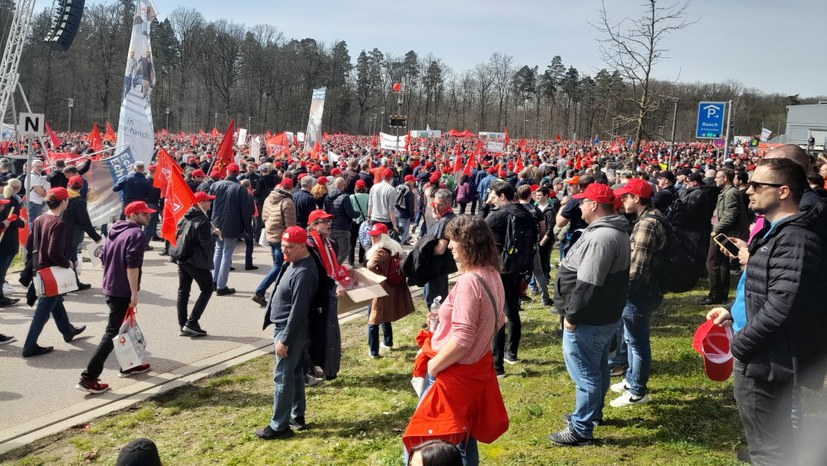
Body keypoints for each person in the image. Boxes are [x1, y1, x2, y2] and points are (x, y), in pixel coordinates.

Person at [706, 158, 827, 466]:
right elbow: (764, 287)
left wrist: (742, 344)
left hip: (767, 359)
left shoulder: (796, 238)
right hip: (761, 353)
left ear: (784, 191)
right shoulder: (777, 232)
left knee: (768, 452)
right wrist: (733, 313)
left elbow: (783, 306)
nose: (749, 191)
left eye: (758, 186)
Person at [403, 214, 508, 466]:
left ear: (469, 244)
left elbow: (462, 338)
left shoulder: (470, 281)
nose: (449, 246)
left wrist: (433, 366)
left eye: (454, 241)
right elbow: (498, 319)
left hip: (452, 374)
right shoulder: (491, 273)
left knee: (431, 446)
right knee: (462, 436)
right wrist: (444, 321)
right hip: (473, 370)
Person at [550, 183, 630, 446]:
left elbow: (589, 284)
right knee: (596, 367)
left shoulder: (601, 238)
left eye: (583, 202)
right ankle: (591, 413)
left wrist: (572, 316)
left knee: (585, 373)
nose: (580, 206)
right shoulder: (609, 232)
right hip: (602, 316)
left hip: (589, 319)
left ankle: (581, 428)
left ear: (594, 205)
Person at [76, 201, 154, 393]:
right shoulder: (136, 234)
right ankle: (89, 377)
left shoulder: (114, 230)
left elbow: (103, 260)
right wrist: (134, 293)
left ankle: (129, 364)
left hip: (110, 286)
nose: (149, 217)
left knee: (125, 328)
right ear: (133, 215)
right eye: (145, 214)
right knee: (113, 332)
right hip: (122, 290)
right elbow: (132, 265)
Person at [609, 178, 668, 408]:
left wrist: (623, 293)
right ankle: (631, 380)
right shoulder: (647, 218)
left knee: (637, 343)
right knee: (630, 339)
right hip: (641, 292)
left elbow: (638, 268)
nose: (622, 200)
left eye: (626, 196)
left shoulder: (647, 224)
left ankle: (637, 391)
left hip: (638, 293)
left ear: (637, 198)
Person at [257, 226, 318, 440]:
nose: (284, 250)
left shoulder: (304, 271)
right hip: (287, 328)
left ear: (303, 246)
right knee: (294, 373)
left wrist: (285, 340)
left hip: (290, 331)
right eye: (282, 245)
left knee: (282, 376)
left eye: (289, 247)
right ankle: (296, 416)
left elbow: (299, 311)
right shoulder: (293, 262)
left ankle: (279, 427)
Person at [20, 187, 86, 357]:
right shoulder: (58, 223)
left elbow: (29, 245)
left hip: (39, 268)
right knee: (42, 312)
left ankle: (68, 330)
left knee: (56, 302)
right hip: (50, 271)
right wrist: (68, 263)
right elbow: (54, 252)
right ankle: (29, 346)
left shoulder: (40, 218)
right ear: (63, 202)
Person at [484, 182, 538, 377]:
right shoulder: (528, 213)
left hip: (500, 269)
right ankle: (511, 354)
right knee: (512, 310)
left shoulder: (498, 215)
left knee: (498, 315)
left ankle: (497, 367)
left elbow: (477, 231)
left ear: (502, 196)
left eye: (492, 195)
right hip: (520, 268)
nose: (491, 198)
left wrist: (487, 206)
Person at [699, 168, 748, 305]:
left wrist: (716, 229)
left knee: (712, 262)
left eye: (718, 177)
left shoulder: (731, 193)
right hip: (723, 231)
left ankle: (715, 294)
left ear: (725, 178)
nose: (715, 179)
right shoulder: (728, 192)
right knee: (721, 263)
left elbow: (730, 214)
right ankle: (721, 294)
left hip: (722, 232)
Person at [365, 223, 414, 358]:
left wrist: (376, 273)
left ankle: (373, 351)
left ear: (381, 237)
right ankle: (388, 342)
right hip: (391, 288)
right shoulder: (395, 247)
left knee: (373, 319)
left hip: (379, 288)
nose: (372, 238)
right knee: (385, 316)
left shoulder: (380, 251)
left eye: (375, 236)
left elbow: (370, 265)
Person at [175, 192, 219, 337]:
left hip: (183, 259)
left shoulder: (185, 217)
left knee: (183, 292)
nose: (210, 203)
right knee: (207, 288)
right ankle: (192, 322)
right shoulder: (202, 220)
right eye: (208, 201)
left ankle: (183, 325)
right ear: (200, 203)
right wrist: (215, 235)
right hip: (196, 261)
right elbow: (206, 244)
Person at [209, 163, 254, 296]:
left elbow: (209, 205)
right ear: (237, 172)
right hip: (232, 224)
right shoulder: (240, 189)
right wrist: (248, 229)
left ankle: (214, 281)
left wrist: (210, 221)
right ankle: (221, 285)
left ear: (227, 171)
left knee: (218, 251)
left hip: (217, 222)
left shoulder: (215, 185)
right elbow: (245, 211)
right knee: (226, 254)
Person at [252, 178, 296, 307]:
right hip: (281, 237)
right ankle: (260, 292)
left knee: (279, 265)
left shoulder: (269, 198)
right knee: (280, 266)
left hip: (271, 234)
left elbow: (264, 217)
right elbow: (290, 224)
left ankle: (277, 292)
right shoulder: (288, 202)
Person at [62, 176, 102, 291]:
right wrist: (96, 237)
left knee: (72, 259)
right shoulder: (78, 201)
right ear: (82, 187)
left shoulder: (63, 197)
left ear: (69, 185)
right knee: (67, 259)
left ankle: (74, 283)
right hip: (72, 235)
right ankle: (63, 284)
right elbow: (85, 222)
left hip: (61, 232)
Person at [422, 189, 457, 309]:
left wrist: (423, 252)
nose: (436, 207)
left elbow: (441, 249)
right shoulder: (444, 218)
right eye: (435, 204)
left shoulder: (445, 221)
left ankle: (436, 323)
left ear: (449, 204)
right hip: (439, 267)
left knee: (434, 299)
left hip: (436, 267)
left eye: (440, 205)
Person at [324, 177, 359, 264]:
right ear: (344, 185)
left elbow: (325, 211)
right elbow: (350, 213)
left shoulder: (327, 196)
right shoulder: (345, 197)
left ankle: (333, 267)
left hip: (330, 227)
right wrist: (358, 213)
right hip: (342, 228)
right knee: (343, 253)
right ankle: (335, 268)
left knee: (334, 252)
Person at [0, 182, 23, 307]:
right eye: (1, 206)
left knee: (2, 272)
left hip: (7, 244)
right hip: (5, 245)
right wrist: (4, 224)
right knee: (1, 271)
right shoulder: (10, 203)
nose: (3, 208)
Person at [368, 168, 400, 236]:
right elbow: (391, 209)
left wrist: (369, 217)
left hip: (374, 218)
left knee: (375, 242)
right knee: (385, 244)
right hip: (386, 221)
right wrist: (394, 225)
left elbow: (370, 204)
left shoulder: (374, 187)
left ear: (382, 176)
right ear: (391, 178)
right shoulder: (392, 190)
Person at [348, 179, 370, 266]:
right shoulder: (368, 196)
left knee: (352, 242)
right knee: (363, 241)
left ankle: (351, 261)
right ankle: (361, 259)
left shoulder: (351, 197)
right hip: (364, 221)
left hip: (354, 221)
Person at [24, 159, 50, 224]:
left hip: (38, 202)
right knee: (32, 223)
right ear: (32, 167)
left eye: (41, 166)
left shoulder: (38, 175)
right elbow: (39, 191)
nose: (40, 168)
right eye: (37, 166)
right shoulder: (32, 176)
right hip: (34, 203)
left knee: (36, 223)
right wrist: (48, 196)